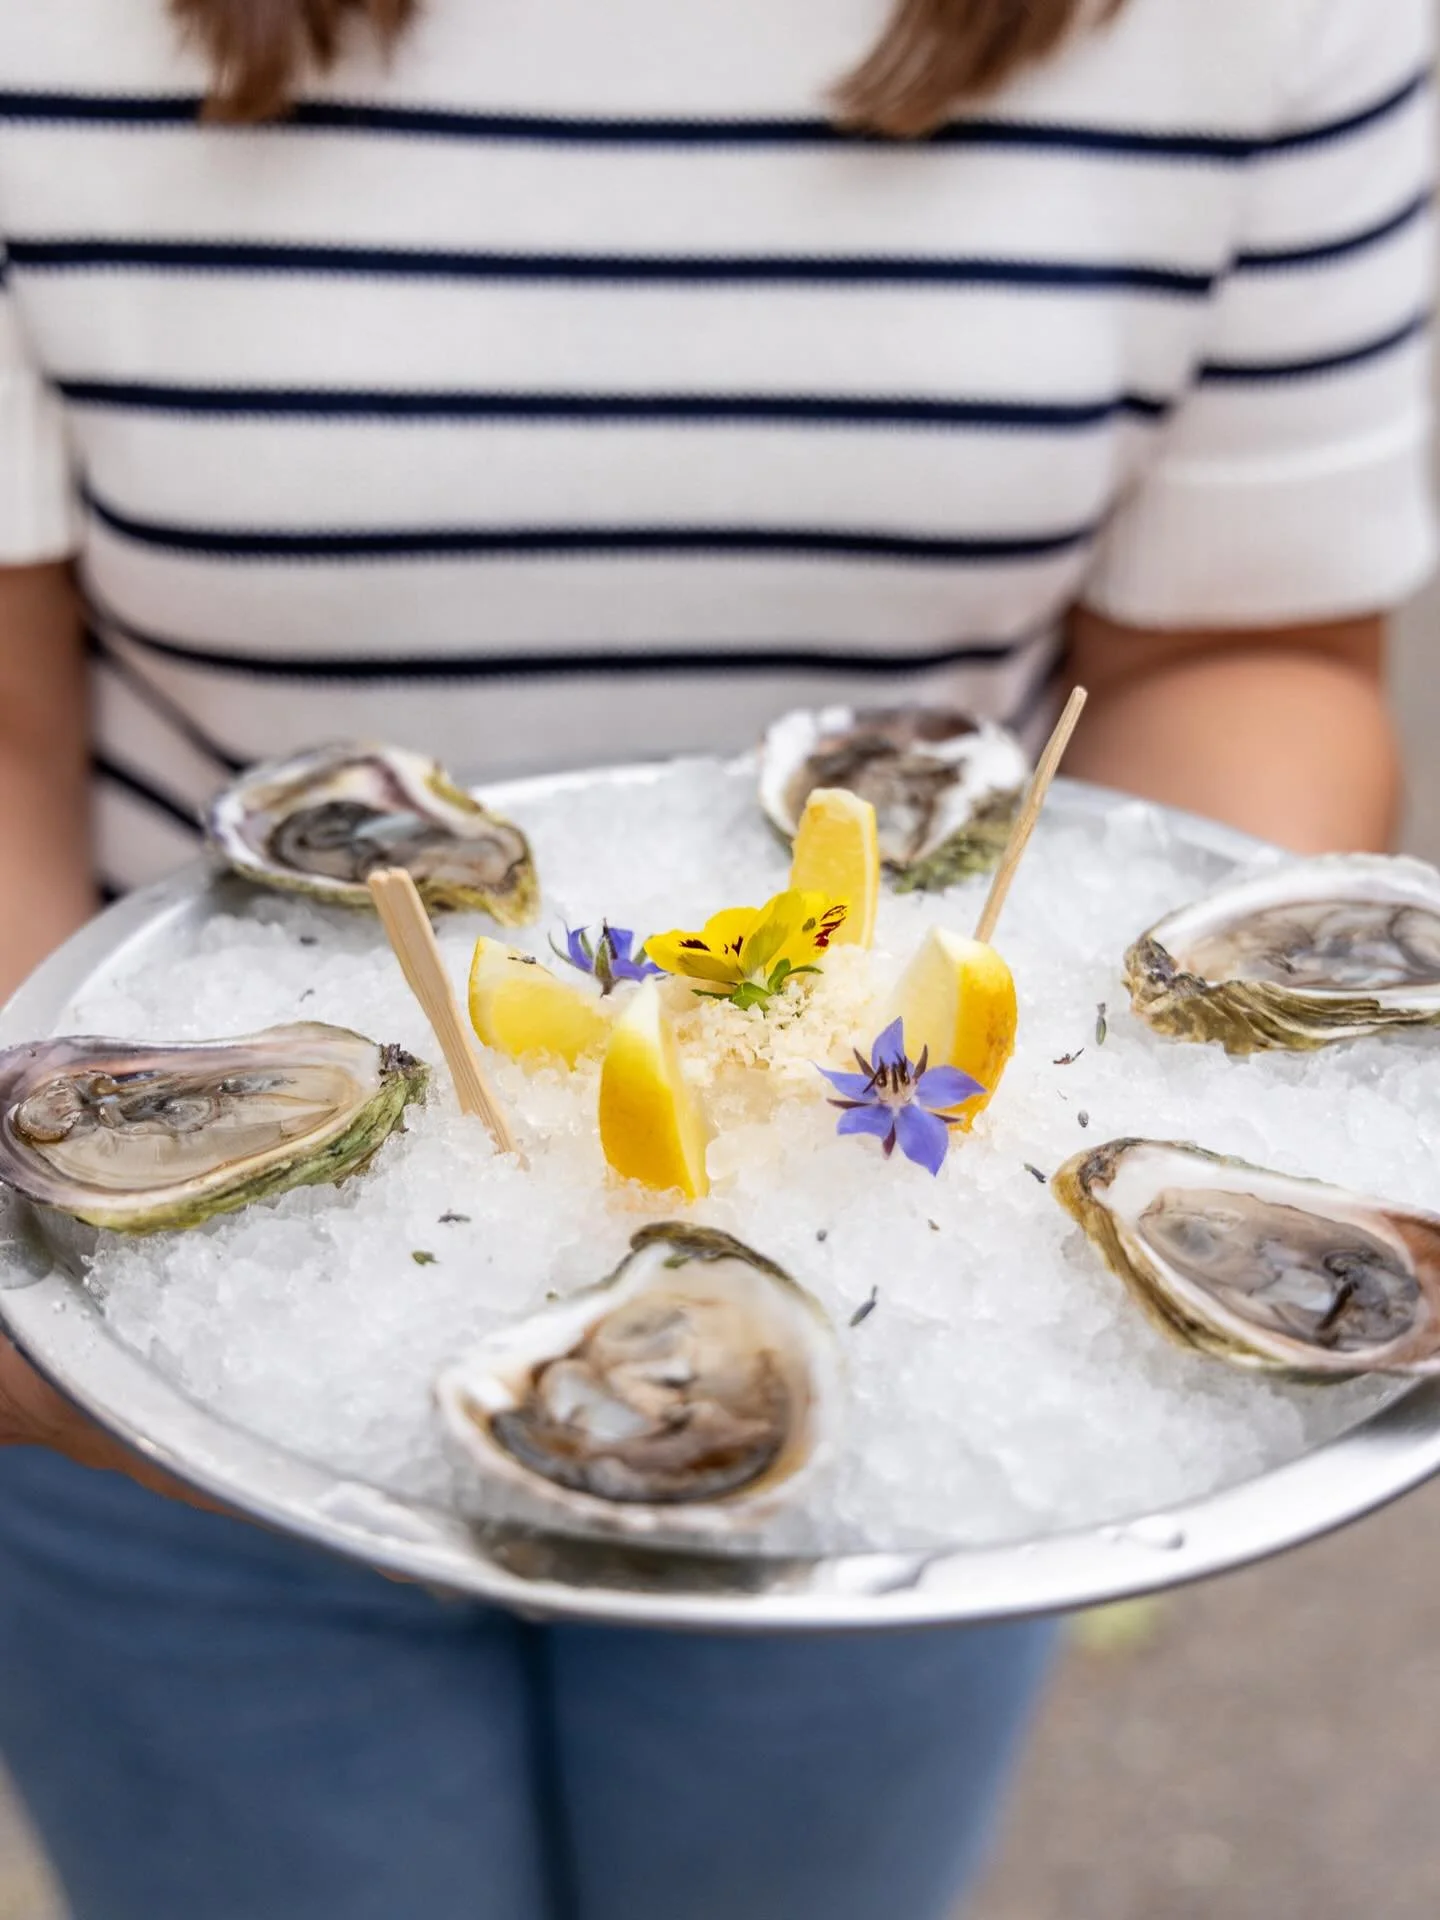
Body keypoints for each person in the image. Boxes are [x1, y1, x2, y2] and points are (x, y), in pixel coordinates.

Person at [0, 0, 1431, 1914]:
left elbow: (1233, 650)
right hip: (145, 1394)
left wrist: (1154, 1041)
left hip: (903, 1336)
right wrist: (87, 1292)